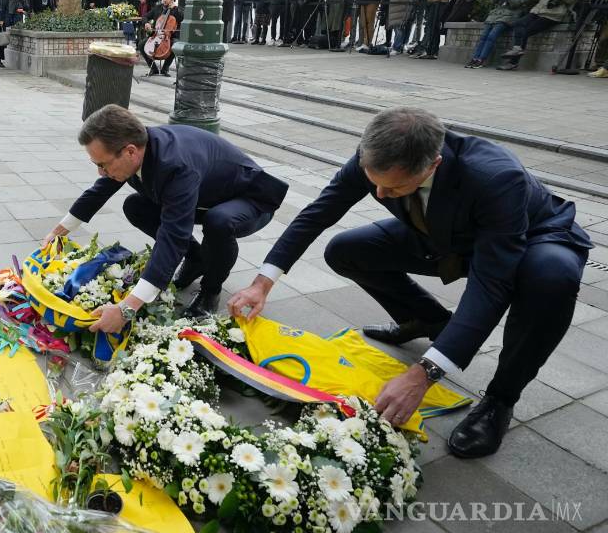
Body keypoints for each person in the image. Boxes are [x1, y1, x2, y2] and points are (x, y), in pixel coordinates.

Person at [228, 107, 591, 459]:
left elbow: (490, 287)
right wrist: (262, 283)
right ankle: (428, 321)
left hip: (531, 238)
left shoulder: (495, 176)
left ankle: (500, 399)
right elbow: (318, 212)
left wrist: (424, 374)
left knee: (551, 279)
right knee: (346, 250)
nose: (380, 196)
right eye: (375, 184)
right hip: (442, 233)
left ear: (433, 165)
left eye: (394, 187)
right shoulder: (375, 155)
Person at [45, 105, 289, 324]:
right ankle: (197, 259)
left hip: (249, 198)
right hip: (203, 197)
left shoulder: (175, 164)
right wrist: (56, 234)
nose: (101, 172)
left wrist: (126, 309)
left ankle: (210, 291)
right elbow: (99, 192)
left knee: (219, 222)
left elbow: (172, 235)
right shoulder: (137, 146)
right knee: (135, 206)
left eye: (103, 164)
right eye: (96, 165)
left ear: (130, 152)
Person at [499, 0, 584, 70]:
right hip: (537, 11)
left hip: (553, 15)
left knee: (526, 31)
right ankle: (517, 49)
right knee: (518, 24)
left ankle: (513, 62)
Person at [464, 0, 532, 68]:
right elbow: (493, 1)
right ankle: (474, 58)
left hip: (509, 16)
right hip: (495, 14)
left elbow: (516, 4)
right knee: (483, 37)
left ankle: (481, 59)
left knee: (491, 36)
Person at [138, 0, 182, 76]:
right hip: (157, 35)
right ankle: (153, 68)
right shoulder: (158, 8)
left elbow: (183, 18)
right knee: (141, 44)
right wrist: (146, 23)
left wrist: (176, 9)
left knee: (175, 45)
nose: (164, 0)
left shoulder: (177, 10)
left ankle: (165, 69)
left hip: (170, 37)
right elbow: (145, 16)